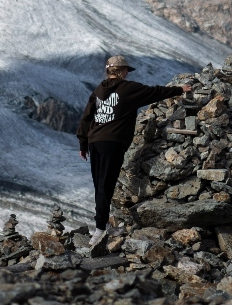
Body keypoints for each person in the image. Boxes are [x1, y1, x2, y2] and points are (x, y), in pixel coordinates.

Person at [77, 55, 192, 245]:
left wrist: (83, 143)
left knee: (100, 184)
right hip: (112, 143)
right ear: (121, 71)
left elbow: (86, 117)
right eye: (126, 71)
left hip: (94, 141)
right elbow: (155, 92)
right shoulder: (128, 89)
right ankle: (99, 231)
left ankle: (101, 226)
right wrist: (180, 89)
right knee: (106, 183)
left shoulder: (98, 90)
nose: (127, 74)